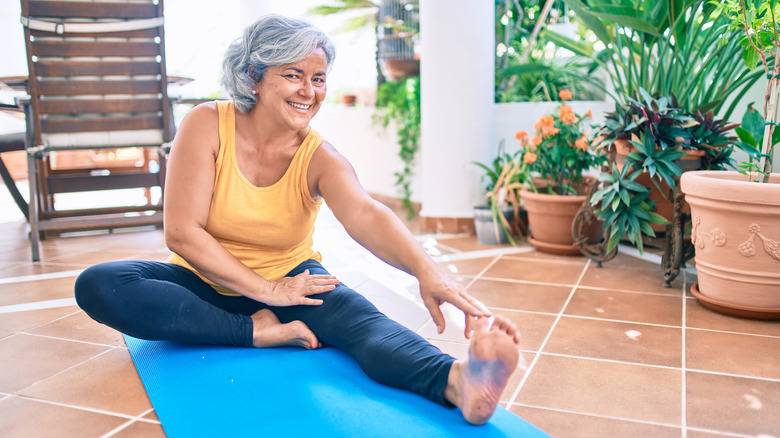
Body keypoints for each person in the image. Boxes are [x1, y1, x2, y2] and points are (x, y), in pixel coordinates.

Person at [74, 14, 520, 425]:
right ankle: (256, 330)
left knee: (363, 322)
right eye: (293, 75)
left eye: (319, 79)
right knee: (100, 284)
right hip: (204, 282)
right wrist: (265, 294)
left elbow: (365, 213)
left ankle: (459, 381)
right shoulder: (207, 123)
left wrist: (428, 272)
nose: (309, 91)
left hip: (293, 282)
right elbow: (182, 233)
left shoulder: (319, 157)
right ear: (253, 76)